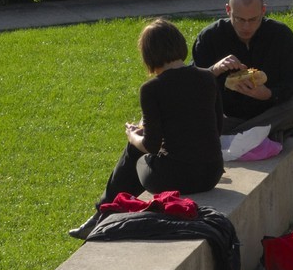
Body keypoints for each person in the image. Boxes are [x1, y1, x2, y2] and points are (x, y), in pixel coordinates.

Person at [70, 18, 224, 238]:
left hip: (178, 178)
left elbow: (150, 146)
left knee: (135, 153)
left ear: (148, 55)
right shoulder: (208, 77)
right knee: (143, 150)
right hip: (212, 173)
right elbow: (216, 128)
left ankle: (102, 213)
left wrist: (132, 135)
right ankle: (103, 213)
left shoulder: (151, 88)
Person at [193, 0, 293, 162]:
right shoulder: (209, 37)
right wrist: (213, 70)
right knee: (193, 118)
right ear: (228, 10)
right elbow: (192, 88)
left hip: (271, 112)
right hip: (229, 118)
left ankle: (242, 137)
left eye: (253, 19)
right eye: (239, 19)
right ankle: (263, 136)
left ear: (263, 11)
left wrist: (269, 94)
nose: (246, 26)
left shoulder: (281, 36)